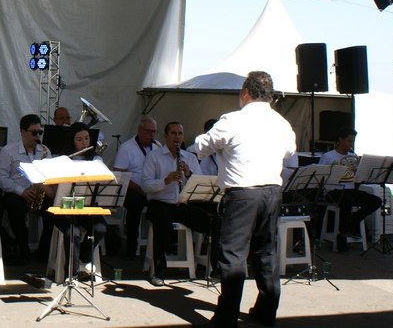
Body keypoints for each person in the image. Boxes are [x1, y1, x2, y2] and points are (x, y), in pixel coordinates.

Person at [195, 71, 296, 328]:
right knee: (266, 252)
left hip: (242, 193)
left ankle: (227, 317)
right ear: (270, 96)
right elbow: (290, 151)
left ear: (245, 93)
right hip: (272, 192)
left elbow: (203, 146)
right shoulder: (281, 123)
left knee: (233, 256)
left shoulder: (233, 120)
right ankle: (266, 310)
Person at [142, 121, 215, 287]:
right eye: (173, 133)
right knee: (163, 223)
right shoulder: (154, 156)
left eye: (180, 134)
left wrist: (189, 174)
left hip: (182, 203)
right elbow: (146, 185)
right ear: (165, 136)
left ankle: (214, 267)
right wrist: (165, 181)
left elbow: (201, 183)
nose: (177, 137)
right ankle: (158, 271)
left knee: (210, 220)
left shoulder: (189, 157)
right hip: (159, 203)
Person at [51, 122, 107, 279]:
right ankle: (72, 273)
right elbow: (54, 192)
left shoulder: (95, 159)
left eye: (87, 138)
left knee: (100, 228)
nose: (84, 143)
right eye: (79, 139)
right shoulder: (63, 160)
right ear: (72, 141)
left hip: (86, 208)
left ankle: (84, 257)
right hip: (64, 209)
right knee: (73, 232)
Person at [0, 114, 53, 265]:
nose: (37, 136)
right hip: (17, 192)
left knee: (54, 213)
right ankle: (23, 249)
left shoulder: (44, 151)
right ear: (22, 132)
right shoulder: (8, 151)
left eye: (40, 132)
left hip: (38, 192)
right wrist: (21, 191)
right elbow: (0, 177)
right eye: (34, 133)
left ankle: (43, 252)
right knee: (15, 210)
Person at [318, 127, 381, 252]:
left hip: (349, 189)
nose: (350, 144)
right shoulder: (328, 156)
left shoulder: (353, 157)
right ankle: (342, 235)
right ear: (340, 140)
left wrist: (360, 171)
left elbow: (358, 178)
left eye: (352, 141)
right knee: (347, 201)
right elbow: (321, 178)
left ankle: (354, 221)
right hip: (333, 190)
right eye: (349, 141)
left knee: (376, 201)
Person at [113, 115, 160, 259]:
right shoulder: (126, 148)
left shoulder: (158, 146)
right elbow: (119, 176)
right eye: (148, 131)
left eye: (154, 132)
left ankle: (163, 243)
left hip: (152, 188)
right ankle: (132, 244)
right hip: (132, 189)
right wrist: (141, 190)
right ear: (139, 130)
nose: (151, 135)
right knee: (135, 203)